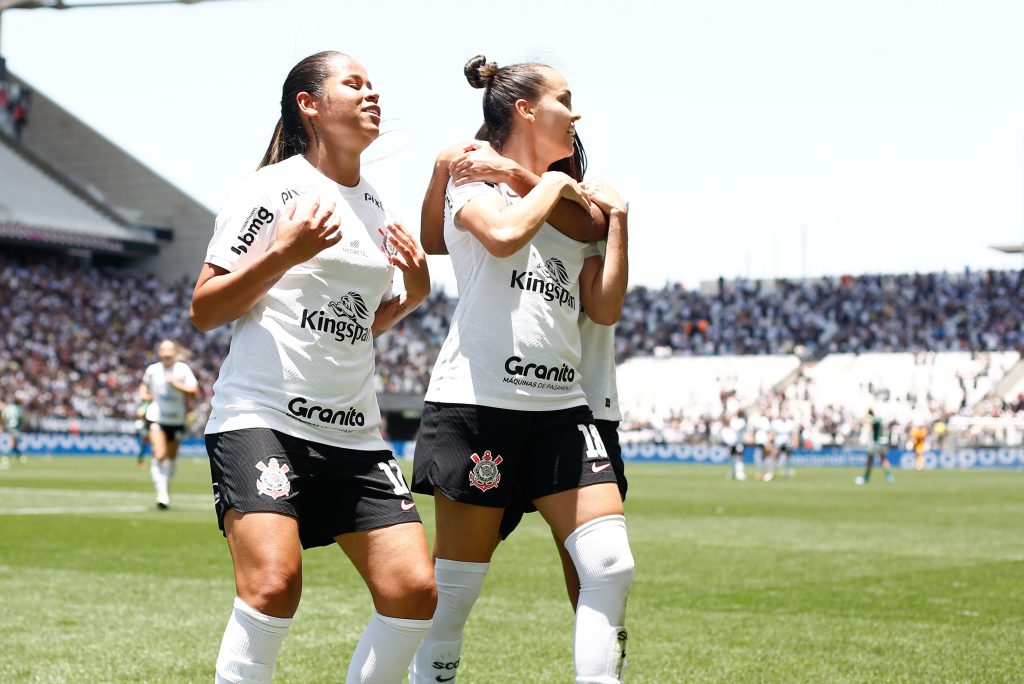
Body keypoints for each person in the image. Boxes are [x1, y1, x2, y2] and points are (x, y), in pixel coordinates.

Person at [190, 51, 436, 684]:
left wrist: (410, 297)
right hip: (261, 417)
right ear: (309, 105)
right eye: (354, 85)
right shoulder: (270, 188)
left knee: (413, 590)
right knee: (274, 586)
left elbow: (357, 322)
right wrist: (284, 254)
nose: (371, 94)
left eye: (374, 85)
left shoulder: (375, 202)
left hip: (353, 432)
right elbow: (205, 308)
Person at [409, 55, 633, 684]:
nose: (578, 111)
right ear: (526, 109)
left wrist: (614, 217)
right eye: (566, 98)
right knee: (454, 592)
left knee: (609, 566)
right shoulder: (474, 176)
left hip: (563, 409)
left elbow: (605, 305)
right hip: (479, 404)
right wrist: (552, 185)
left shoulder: (573, 206)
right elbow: (503, 236)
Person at [139, 339, 199, 508]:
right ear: (159, 352)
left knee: (170, 459)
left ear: (175, 352)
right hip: (156, 417)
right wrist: (144, 396)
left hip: (177, 420)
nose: (166, 353)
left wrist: (175, 383)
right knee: (159, 455)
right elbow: (144, 386)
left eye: (169, 350)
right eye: (163, 350)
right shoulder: (152, 370)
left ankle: (165, 482)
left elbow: (194, 392)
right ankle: (162, 494)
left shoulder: (183, 369)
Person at [856, 408, 895, 485]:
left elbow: (868, 421)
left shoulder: (872, 418)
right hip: (882, 442)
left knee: (870, 460)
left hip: (875, 443)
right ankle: (889, 477)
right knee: (884, 459)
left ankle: (866, 478)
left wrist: (866, 416)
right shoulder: (879, 419)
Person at [1, 398, 25, 464]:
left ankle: (20, 456)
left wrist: (3, 425)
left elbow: (3, 416)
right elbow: (21, 418)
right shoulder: (18, 408)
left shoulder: (8, 407)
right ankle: (6, 456)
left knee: (15, 443)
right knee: (13, 443)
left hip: (8, 426)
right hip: (15, 427)